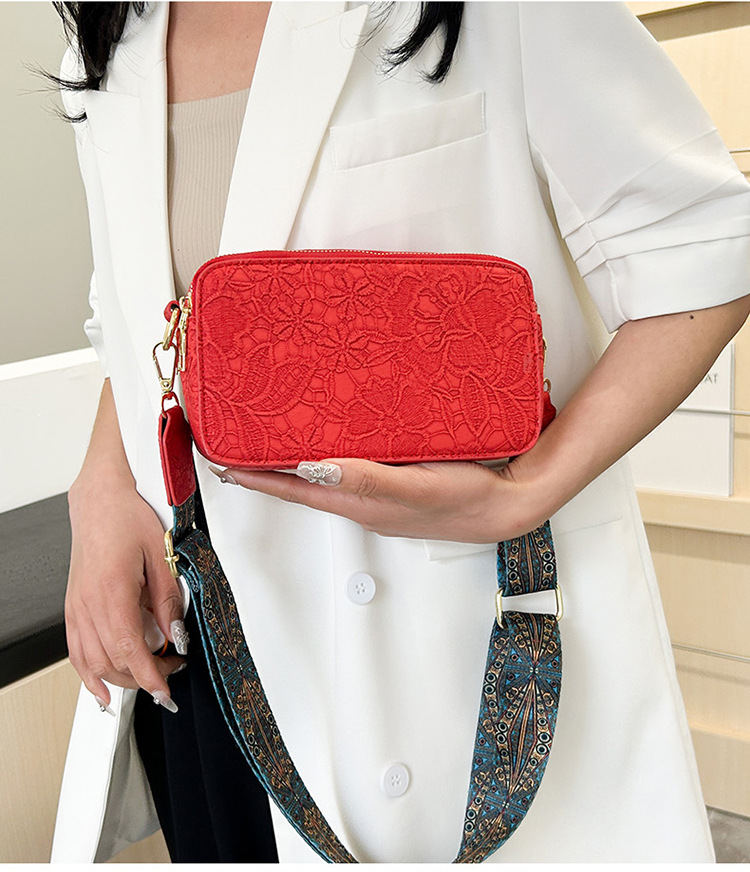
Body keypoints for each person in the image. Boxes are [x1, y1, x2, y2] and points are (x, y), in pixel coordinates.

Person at [51, 0, 750, 863]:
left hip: (455, 660)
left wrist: (525, 492)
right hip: (207, 649)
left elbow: (704, 244)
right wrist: (101, 488)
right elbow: (138, 309)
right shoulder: (107, 34)